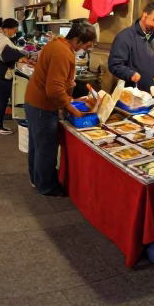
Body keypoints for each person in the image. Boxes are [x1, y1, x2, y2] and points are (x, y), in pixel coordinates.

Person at [24, 22, 97, 196]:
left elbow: (56, 82)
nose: (88, 48)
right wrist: (70, 106)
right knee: (46, 149)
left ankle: (37, 179)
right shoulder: (63, 53)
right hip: (43, 106)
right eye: (87, 44)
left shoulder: (57, 43)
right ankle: (47, 186)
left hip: (34, 102)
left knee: (37, 145)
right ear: (77, 39)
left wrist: (70, 94)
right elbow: (54, 90)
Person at [108, 2, 154, 93]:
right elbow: (115, 65)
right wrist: (131, 74)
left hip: (153, 92)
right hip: (131, 93)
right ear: (144, 15)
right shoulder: (125, 37)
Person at [0, 18, 27, 135]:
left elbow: (11, 50)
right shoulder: (3, 40)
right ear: (8, 28)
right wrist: (23, 57)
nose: (15, 32)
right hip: (1, 72)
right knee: (2, 99)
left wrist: (20, 52)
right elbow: (8, 55)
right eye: (14, 30)